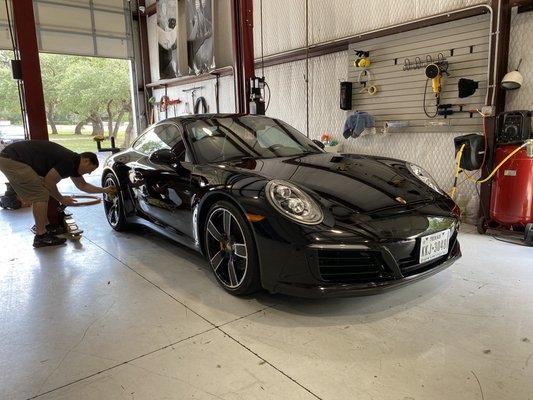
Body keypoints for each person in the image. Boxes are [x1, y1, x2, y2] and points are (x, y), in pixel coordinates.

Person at [0, 140, 113, 248]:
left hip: (11, 157)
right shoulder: (69, 162)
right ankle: (41, 236)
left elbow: (83, 186)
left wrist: (106, 190)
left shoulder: (73, 165)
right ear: (86, 160)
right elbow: (49, 182)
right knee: (40, 195)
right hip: (13, 159)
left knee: (40, 193)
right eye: (90, 169)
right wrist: (62, 199)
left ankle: (44, 228)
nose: (89, 173)